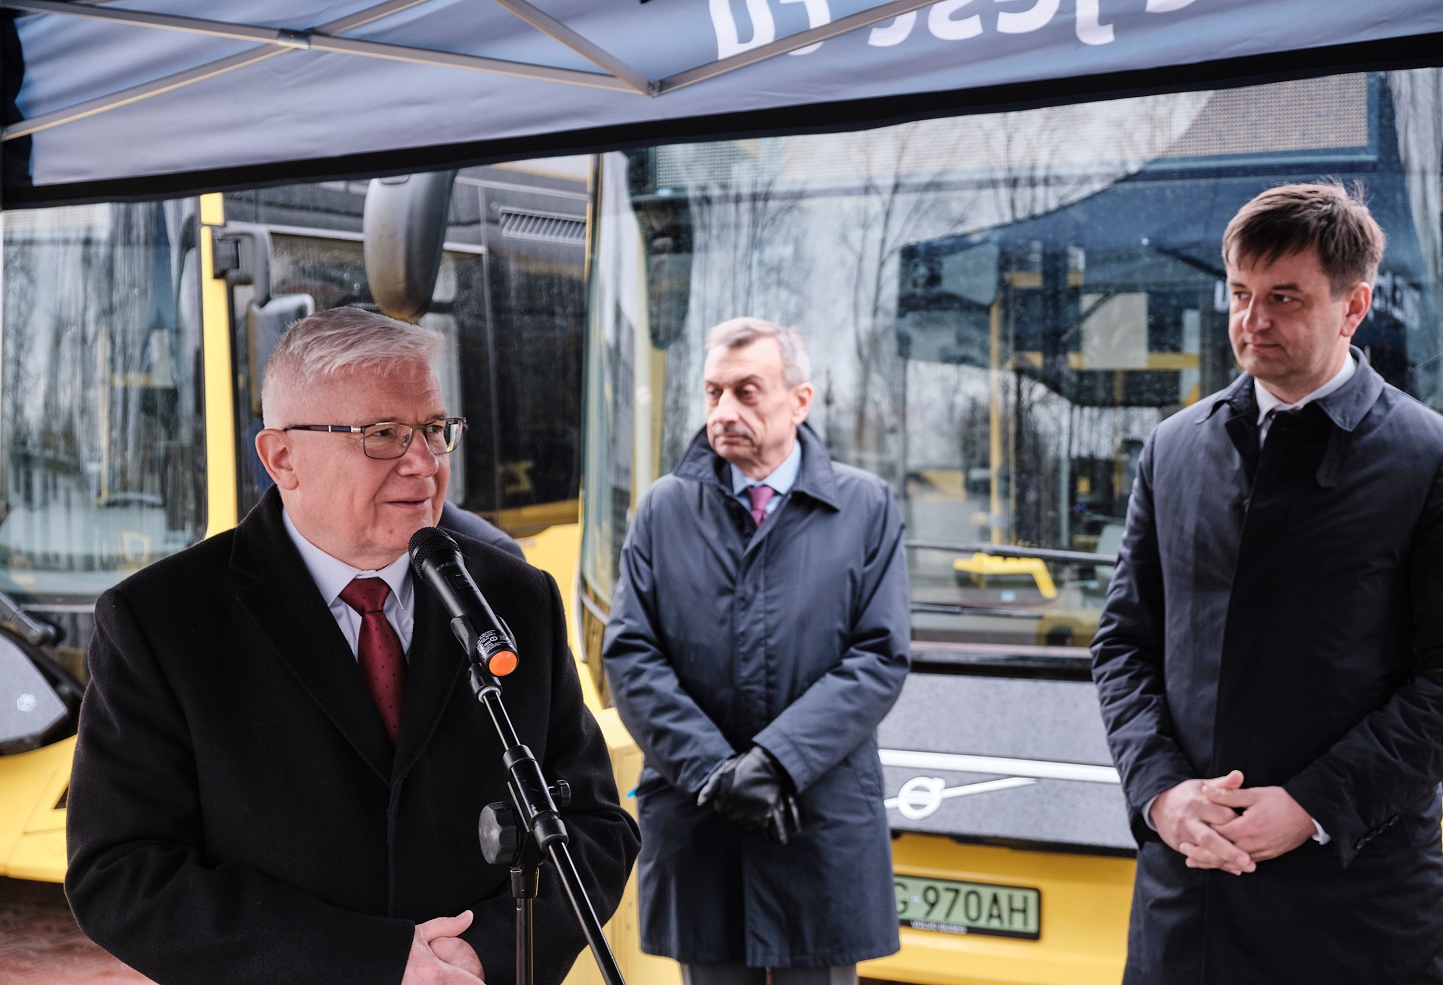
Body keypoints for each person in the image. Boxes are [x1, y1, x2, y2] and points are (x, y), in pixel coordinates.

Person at [65, 307, 639, 985]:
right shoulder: (161, 620)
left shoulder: (517, 599)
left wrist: (481, 952)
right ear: (282, 458)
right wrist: (373, 961)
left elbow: (595, 826)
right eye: (382, 435)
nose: (423, 463)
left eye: (433, 429)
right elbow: (122, 872)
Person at [1091, 183, 1443, 983]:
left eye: (1283, 298)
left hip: (1357, 904)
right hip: (1190, 898)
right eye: (1240, 295)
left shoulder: (1426, 458)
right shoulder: (1171, 448)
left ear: (1352, 308)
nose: (1252, 322)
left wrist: (1315, 802)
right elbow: (1122, 644)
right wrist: (1160, 793)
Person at [602, 317, 910, 985]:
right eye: (712, 393)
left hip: (816, 820)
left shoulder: (864, 507)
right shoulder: (663, 509)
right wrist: (716, 771)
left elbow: (877, 656)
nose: (724, 411)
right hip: (700, 817)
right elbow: (629, 654)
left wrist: (775, 762)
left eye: (747, 391)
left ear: (799, 400)